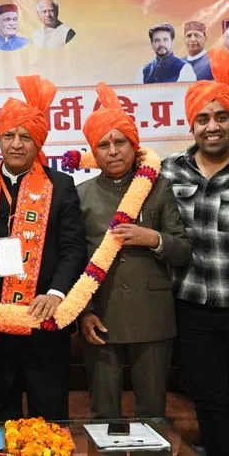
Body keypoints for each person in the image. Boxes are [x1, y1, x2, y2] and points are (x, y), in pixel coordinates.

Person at [0, 75, 87, 421]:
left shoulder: (60, 184)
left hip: (43, 319)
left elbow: (73, 247)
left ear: (38, 142)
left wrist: (56, 293)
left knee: (49, 415)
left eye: (25, 137)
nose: (16, 144)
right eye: (9, 135)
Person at [77, 83, 192, 421]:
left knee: (153, 413)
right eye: (104, 145)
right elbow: (75, 260)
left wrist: (152, 238)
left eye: (120, 142)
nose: (113, 151)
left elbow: (183, 251)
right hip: (101, 317)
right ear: (94, 152)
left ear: (134, 145)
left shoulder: (158, 188)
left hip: (152, 317)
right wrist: (84, 313)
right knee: (103, 414)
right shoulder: (81, 195)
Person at [160, 74, 229, 456]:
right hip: (192, 309)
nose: (212, 126)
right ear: (192, 125)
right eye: (203, 119)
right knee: (210, 400)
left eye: (221, 116)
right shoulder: (170, 171)